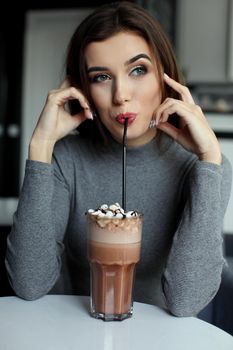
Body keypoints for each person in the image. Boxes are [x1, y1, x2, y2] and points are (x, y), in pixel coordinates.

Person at [5, 1, 232, 317]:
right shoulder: (66, 159)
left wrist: (209, 162)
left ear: (165, 77)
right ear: (82, 89)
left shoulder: (203, 167)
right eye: (101, 77)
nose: (121, 94)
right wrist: (40, 147)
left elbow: (186, 301)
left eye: (138, 70)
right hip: (74, 332)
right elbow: (28, 284)